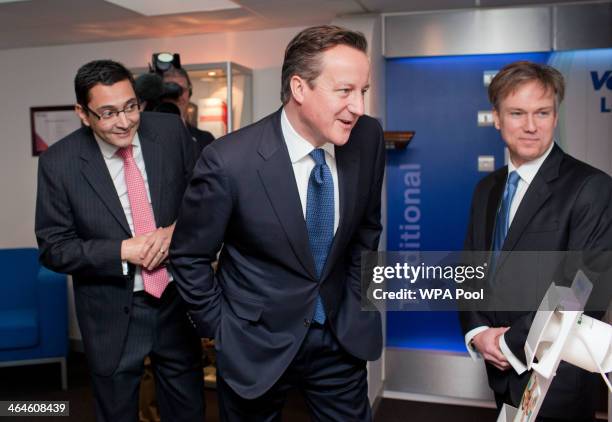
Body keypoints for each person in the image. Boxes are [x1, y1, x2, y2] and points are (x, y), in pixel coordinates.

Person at [170, 25, 384, 421]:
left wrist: (357, 302)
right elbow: (189, 258)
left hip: (341, 337)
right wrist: (223, 330)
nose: (359, 107)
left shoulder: (367, 138)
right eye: (344, 91)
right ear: (299, 88)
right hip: (255, 344)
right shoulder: (229, 161)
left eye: (363, 91)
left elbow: (367, 232)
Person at [35, 60, 204, 422]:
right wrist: (122, 250)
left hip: (177, 300)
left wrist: (175, 232)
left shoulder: (171, 131)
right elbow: (53, 247)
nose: (125, 121)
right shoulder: (58, 162)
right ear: (83, 113)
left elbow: (203, 202)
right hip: (112, 312)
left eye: (131, 107)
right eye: (108, 113)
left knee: (189, 409)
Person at [461, 61, 612, 421]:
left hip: (557, 375)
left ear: (555, 116)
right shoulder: (487, 188)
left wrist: (507, 343)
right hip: (500, 372)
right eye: (517, 113)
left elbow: (583, 288)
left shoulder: (591, 187)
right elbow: (471, 268)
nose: (531, 126)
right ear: (497, 118)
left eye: (542, 112)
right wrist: (478, 331)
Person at [162, 66, 215, 153]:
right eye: (169, 91)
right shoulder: (145, 138)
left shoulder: (205, 140)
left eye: (181, 90)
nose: (177, 96)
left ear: (189, 93)